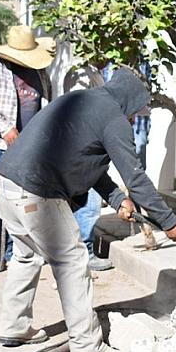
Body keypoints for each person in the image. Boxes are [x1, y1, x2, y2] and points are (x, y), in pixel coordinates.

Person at [0, 68, 176, 352]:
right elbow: (135, 177)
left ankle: (14, 327)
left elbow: (84, 159)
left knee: (26, 255)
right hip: (37, 192)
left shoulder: (83, 100)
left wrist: (117, 198)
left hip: (7, 181)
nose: (134, 119)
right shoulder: (113, 118)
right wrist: (169, 222)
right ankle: (87, 346)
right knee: (72, 261)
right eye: (135, 112)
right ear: (129, 100)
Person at [0, 25, 54, 277]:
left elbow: (45, 105)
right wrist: (6, 129)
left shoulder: (39, 73)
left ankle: (13, 253)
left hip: (27, 150)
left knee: (19, 200)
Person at [62, 61, 112, 271]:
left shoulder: (92, 73)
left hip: (81, 145)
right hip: (83, 146)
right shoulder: (82, 74)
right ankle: (84, 253)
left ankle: (76, 253)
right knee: (89, 205)